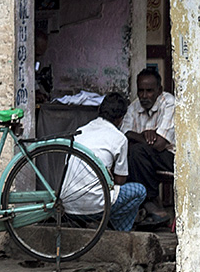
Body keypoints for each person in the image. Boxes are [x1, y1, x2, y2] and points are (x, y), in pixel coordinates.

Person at [62, 92, 146, 232]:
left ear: (99, 111)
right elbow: (120, 180)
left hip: (68, 205)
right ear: (121, 119)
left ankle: (93, 222)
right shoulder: (119, 138)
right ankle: (117, 229)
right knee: (139, 191)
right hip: (95, 206)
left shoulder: (80, 131)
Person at [121, 68, 175, 226]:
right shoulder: (134, 107)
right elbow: (123, 136)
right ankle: (146, 206)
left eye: (149, 91)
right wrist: (144, 134)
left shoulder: (169, 103)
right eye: (141, 91)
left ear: (159, 90)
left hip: (170, 157)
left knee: (136, 151)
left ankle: (151, 202)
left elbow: (159, 145)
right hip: (146, 158)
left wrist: (134, 136)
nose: (144, 96)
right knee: (128, 153)